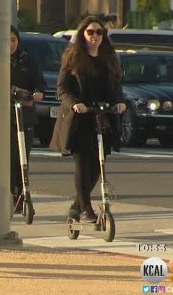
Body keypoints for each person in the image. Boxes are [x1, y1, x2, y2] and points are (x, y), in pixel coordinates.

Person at [50, 16, 126, 224]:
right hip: (80, 119)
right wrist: (75, 103)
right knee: (83, 164)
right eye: (90, 32)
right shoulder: (73, 57)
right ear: (82, 34)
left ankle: (76, 206)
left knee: (97, 166)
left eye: (99, 32)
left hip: (101, 117)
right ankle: (86, 209)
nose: (95, 36)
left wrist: (120, 102)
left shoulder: (109, 58)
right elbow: (62, 88)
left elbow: (116, 87)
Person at [9, 25, 46, 211]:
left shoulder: (27, 60)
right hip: (4, 115)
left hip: (25, 114)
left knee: (23, 157)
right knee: (9, 157)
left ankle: (22, 195)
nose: (10, 44)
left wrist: (37, 91)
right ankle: (10, 194)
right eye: (6, 40)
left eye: (13, 40)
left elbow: (39, 82)